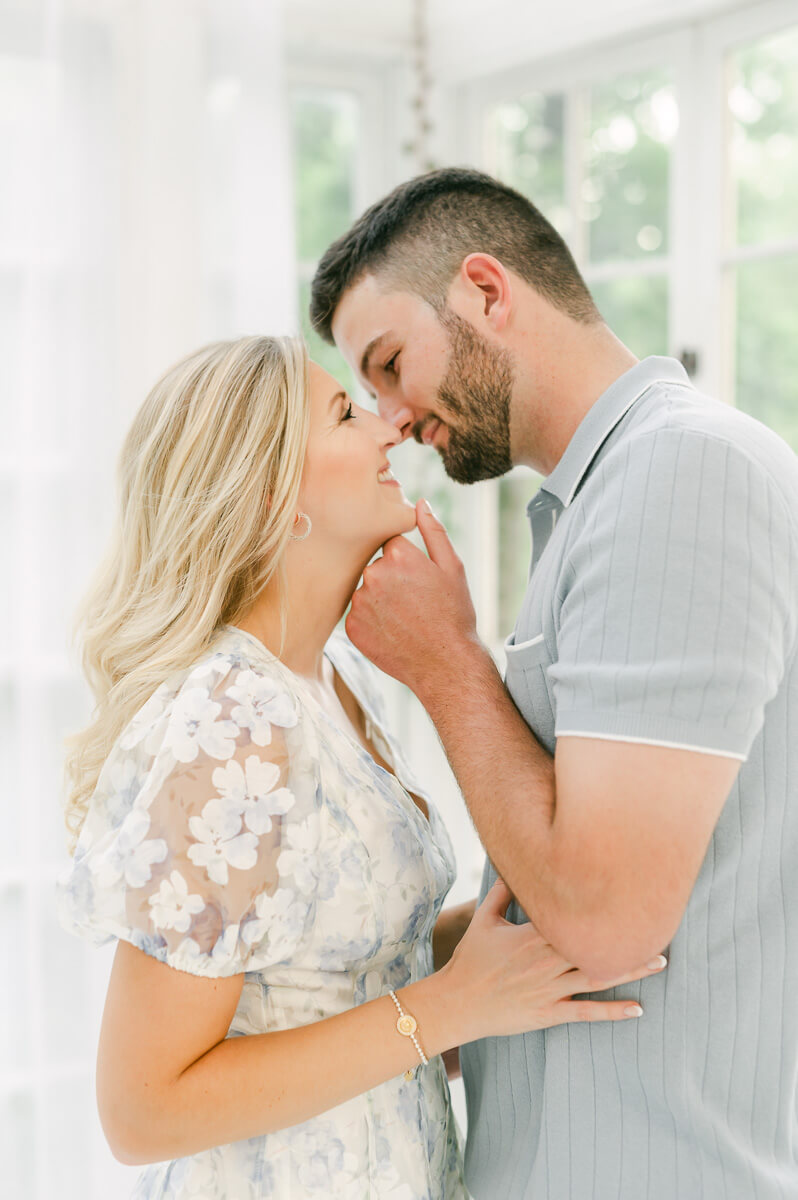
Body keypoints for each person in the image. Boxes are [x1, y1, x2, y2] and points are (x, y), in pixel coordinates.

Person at [54, 335, 662, 1200]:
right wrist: (455, 1007)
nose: (389, 431)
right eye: (346, 413)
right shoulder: (234, 717)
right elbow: (143, 1109)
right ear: (274, 497)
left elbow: (347, 966)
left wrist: (554, 912)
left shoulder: (332, 684)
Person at [309, 167, 798, 1200]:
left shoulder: (680, 476)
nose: (391, 420)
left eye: (390, 363)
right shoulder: (606, 501)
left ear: (487, 291)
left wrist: (447, 665)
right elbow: (561, 881)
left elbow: (608, 922)